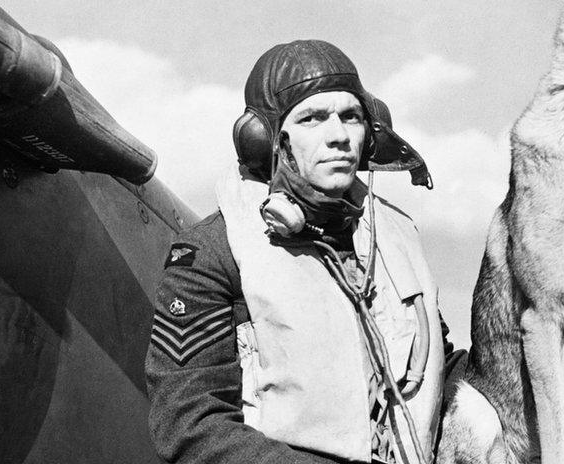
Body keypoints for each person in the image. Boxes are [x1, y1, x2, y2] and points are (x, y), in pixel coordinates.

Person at [145, 39, 453, 464]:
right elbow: (191, 423)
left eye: (352, 117)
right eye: (312, 118)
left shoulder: (398, 239)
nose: (339, 136)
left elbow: (441, 368)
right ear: (267, 139)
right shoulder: (212, 253)